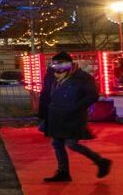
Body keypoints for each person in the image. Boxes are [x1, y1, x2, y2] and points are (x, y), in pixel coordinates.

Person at [39, 51, 112, 182]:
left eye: (59, 64)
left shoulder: (82, 77)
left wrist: (75, 108)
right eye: (54, 64)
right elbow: (49, 93)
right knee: (57, 143)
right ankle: (63, 172)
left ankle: (101, 161)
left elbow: (92, 96)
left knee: (71, 143)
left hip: (73, 117)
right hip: (57, 115)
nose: (56, 67)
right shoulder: (55, 76)